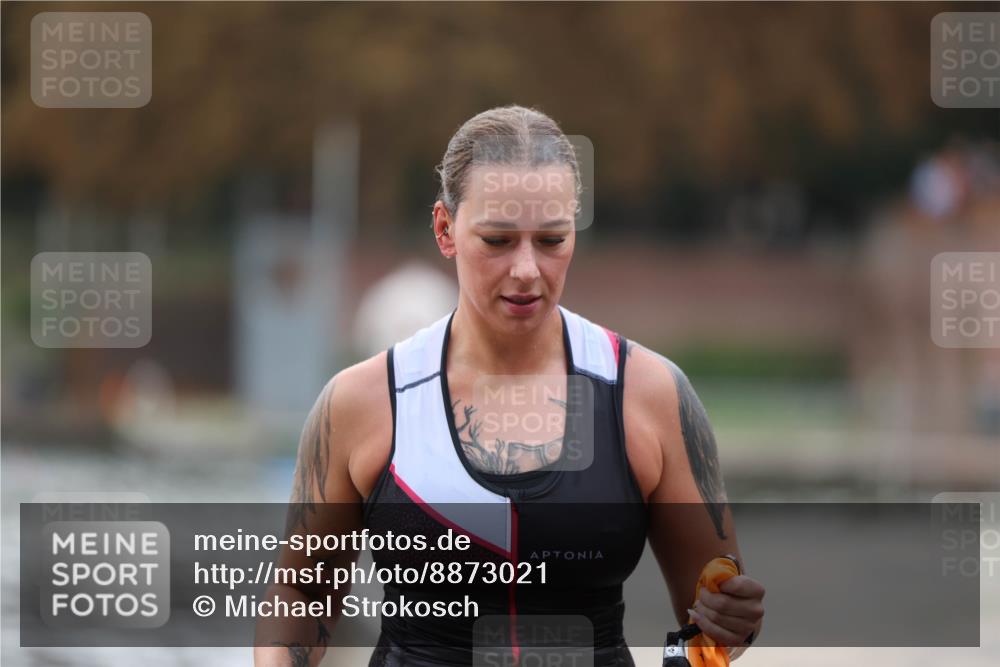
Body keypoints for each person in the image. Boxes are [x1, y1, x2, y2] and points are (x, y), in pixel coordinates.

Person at [254, 105, 765, 667]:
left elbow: (711, 623)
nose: (526, 269)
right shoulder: (361, 403)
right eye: (498, 241)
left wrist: (725, 629)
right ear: (445, 230)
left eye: (551, 240)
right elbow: (302, 593)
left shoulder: (649, 395)